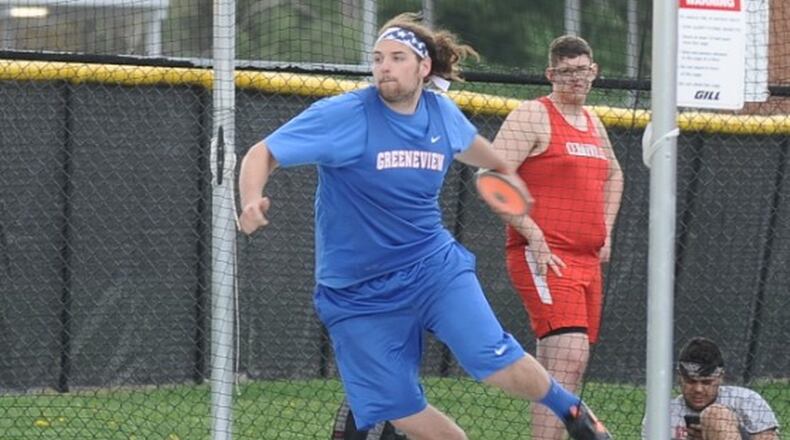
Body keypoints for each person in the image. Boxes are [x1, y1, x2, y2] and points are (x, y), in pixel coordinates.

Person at [238, 13, 612, 440]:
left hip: (433, 268)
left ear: (424, 68)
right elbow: (262, 152)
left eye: (397, 58)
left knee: (492, 359)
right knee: (410, 414)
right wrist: (251, 200)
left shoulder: (441, 114)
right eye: (378, 58)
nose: (385, 67)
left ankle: (573, 411)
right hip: (356, 293)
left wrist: (499, 174)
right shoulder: (344, 114)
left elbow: (479, 153)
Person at [490, 35, 624, 440]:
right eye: (566, 72)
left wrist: (607, 230)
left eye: (582, 70)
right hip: (547, 256)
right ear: (551, 74)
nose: (575, 79)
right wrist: (532, 233)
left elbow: (615, 174)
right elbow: (491, 175)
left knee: (564, 367)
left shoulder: (593, 122)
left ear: (594, 71)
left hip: (586, 260)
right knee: (569, 357)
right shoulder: (533, 115)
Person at [641, 337, 780, 440]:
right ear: (679, 378)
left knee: (715, 416)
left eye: (707, 382)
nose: (698, 389)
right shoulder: (663, 413)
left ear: (721, 377)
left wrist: (719, 433)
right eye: (691, 381)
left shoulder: (746, 400)